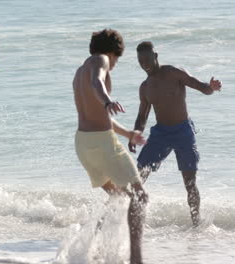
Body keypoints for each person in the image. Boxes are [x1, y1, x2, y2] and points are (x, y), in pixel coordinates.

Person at [73, 29, 148, 264]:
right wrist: (108, 100)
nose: (113, 65)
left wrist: (129, 134)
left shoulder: (78, 73)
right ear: (113, 52)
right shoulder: (100, 60)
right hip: (103, 144)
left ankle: (92, 249)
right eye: (117, 59)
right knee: (140, 196)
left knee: (119, 197)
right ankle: (136, 259)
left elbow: (98, 116)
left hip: (84, 144)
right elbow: (98, 81)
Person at [129, 41, 222, 226]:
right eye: (140, 60)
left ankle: (196, 224)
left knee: (189, 182)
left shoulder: (173, 72)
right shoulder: (145, 87)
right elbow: (142, 115)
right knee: (138, 177)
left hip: (183, 131)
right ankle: (134, 219)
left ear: (156, 56)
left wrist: (211, 87)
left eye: (147, 58)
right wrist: (136, 133)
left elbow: (200, 87)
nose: (144, 63)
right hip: (160, 134)